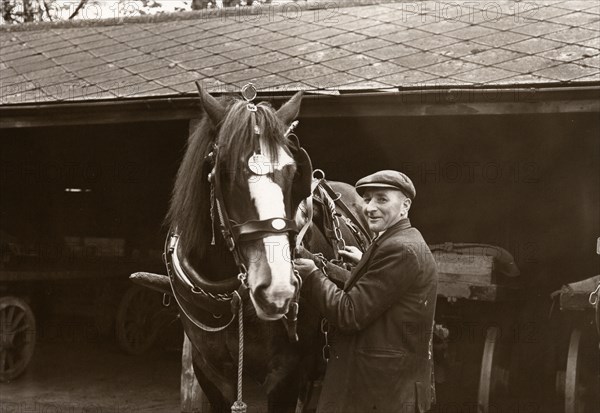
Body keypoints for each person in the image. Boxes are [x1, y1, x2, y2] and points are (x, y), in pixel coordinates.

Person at [294, 170, 438, 413]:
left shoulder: (401, 250)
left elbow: (349, 313)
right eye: (368, 199)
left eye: (382, 199)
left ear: (405, 206)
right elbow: (381, 294)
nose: (370, 207)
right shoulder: (400, 240)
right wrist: (330, 268)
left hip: (379, 395)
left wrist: (311, 277)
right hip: (383, 390)